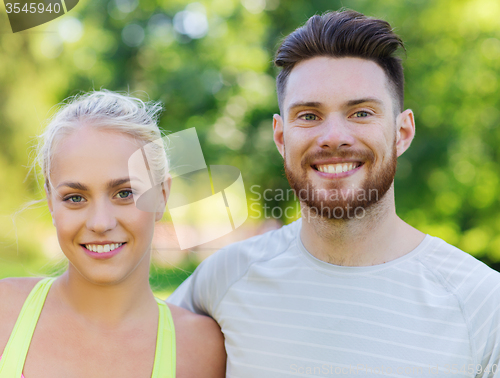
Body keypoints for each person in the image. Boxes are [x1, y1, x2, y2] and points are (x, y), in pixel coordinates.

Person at [168, 9, 500, 377]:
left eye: (361, 113)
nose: (333, 137)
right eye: (309, 116)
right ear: (281, 137)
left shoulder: (482, 303)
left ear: (402, 132)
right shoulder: (221, 280)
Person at [0, 91, 226, 378]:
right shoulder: (4, 312)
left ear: (161, 196)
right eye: (75, 197)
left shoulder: (202, 349)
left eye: (124, 193)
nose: (100, 222)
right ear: (50, 201)